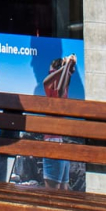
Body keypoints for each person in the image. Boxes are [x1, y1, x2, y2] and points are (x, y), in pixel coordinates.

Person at [39, 55, 77, 189]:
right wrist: (66, 68)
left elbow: (46, 82)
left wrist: (64, 68)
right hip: (61, 144)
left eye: (51, 72)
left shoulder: (56, 90)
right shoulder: (63, 91)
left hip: (52, 144)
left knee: (51, 193)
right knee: (63, 189)